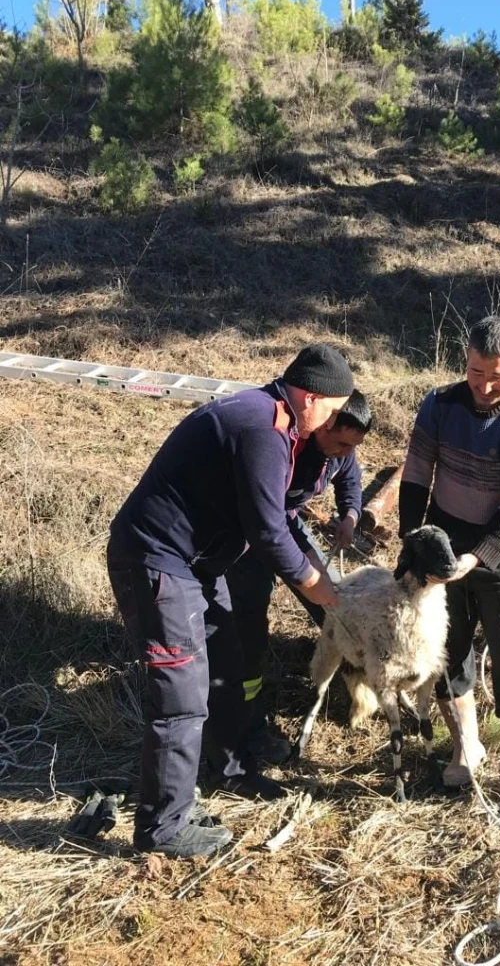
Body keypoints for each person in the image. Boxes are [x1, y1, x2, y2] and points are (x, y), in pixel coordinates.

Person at [107, 344, 354, 857]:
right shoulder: (259, 427)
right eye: (333, 409)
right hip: (157, 562)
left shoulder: (281, 426)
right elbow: (267, 532)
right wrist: (322, 590)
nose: (335, 421)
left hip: (200, 565)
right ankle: (163, 827)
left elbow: (279, 517)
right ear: (311, 398)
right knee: (181, 693)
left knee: (225, 664)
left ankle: (230, 769)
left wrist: (316, 575)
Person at [398, 316, 500, 825]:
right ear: (464, 361)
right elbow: (418, 474)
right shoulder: (440, 404)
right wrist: (413, 539)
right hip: (446, 541)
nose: (485, 386)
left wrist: (476, 559)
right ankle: (467, 747)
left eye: (498, 376)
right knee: (446, 652)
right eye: (475, 371)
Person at [219, 389, 373, 770]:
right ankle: (245, 718)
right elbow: (265, 527)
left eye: (351, 445)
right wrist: (306, 576)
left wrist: (350, 516)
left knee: (337, 604)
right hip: (248, 536)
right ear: (322, 422)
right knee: (248, 622)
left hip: (286, 525)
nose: (342, 451)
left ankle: (352, 682)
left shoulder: (342, 449)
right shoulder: (285, 448)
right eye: (338, 441)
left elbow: (349, 479)